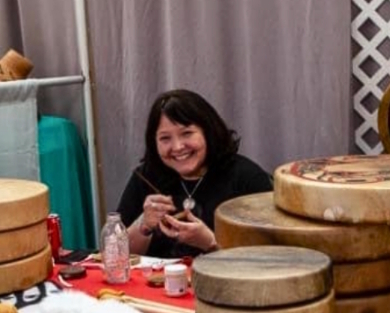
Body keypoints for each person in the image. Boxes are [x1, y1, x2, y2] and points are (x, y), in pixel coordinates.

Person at [117, 89, 273, 258]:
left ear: (208, 131)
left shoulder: (246, 177)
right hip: (156, 283)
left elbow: (269, 261)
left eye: (187, 133)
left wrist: (210, 243)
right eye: (165, 138)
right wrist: (143, 225)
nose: (177, 147)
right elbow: (115, 258)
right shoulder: (147, 176)